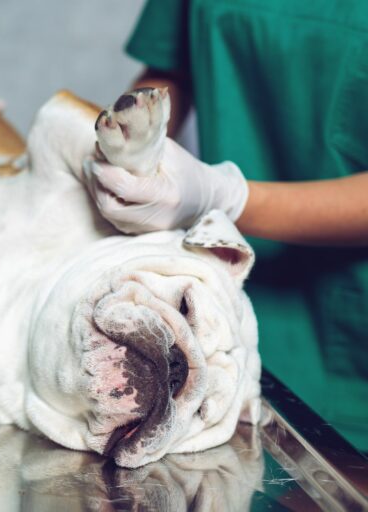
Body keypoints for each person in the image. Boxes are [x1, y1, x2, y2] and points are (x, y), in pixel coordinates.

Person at [85, 0, 368, 451]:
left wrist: (226, 196)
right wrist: (131, 154)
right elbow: (168, 72)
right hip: (217, 323)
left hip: (351, 350)